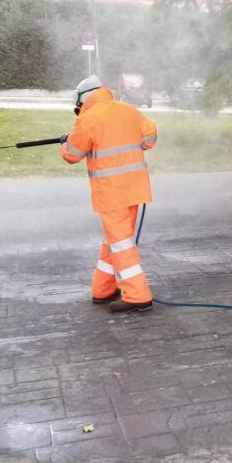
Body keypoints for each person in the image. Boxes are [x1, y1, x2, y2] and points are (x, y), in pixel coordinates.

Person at [61, 75, 157, 313]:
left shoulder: (89, 119)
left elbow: (72, 154)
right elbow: (150, 138)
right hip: (134, 189)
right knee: (116, 239)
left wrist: (66, 142)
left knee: (121, 243)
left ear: (84, 100)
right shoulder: (127, 110)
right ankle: (103, 289)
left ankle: (137, 296)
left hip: (111, 193)